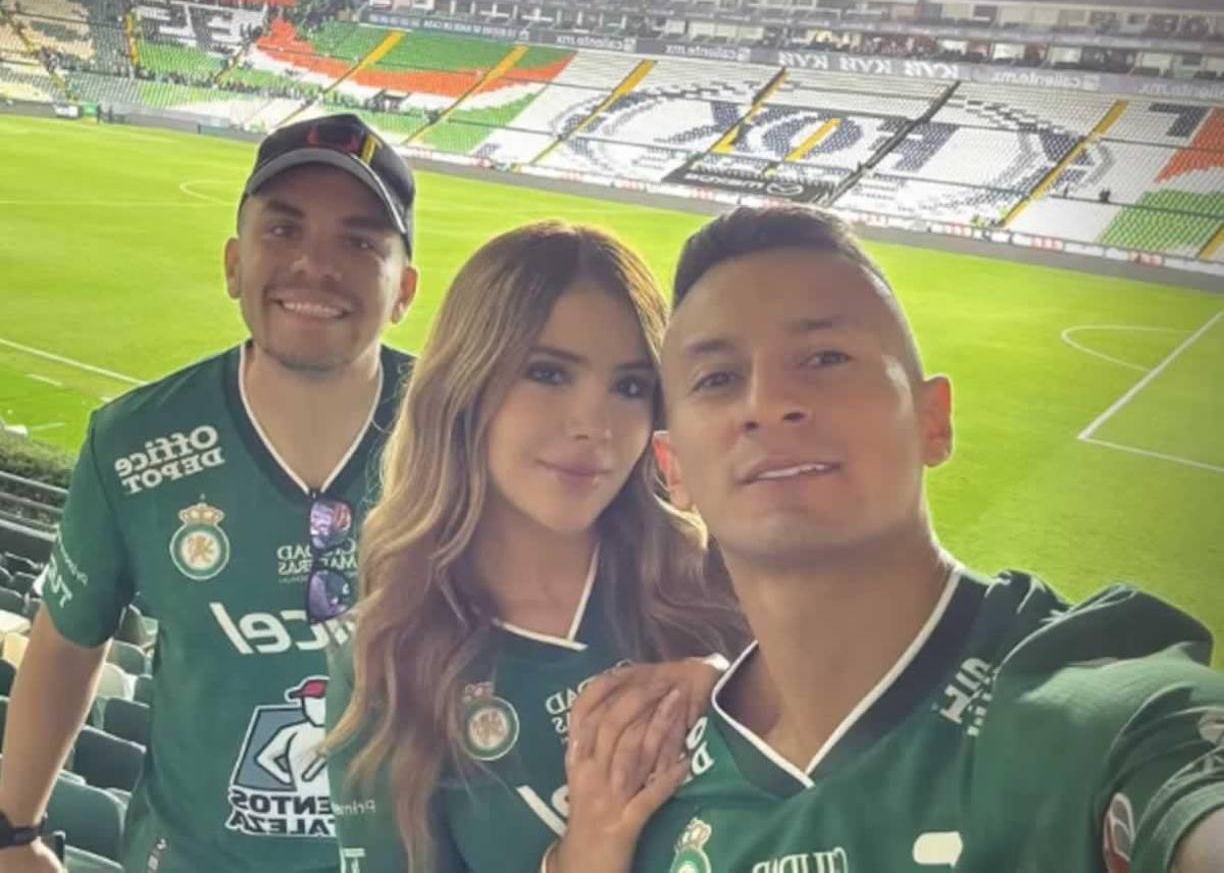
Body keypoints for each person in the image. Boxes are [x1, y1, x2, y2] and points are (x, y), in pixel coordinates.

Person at [621, 205, 1223, 871]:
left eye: (825, 357)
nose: (765, 402)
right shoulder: (650, 798)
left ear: (933, 421)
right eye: (718, 379)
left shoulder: (1093, 722)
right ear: (673, 469)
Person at [0, 113, 419, 873]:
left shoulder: (471, 434)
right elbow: (67, 640)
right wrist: (14, 832)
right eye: (283, 231)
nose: (314, 265)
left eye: (360, 243)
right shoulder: (132, 442)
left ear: (405, 290)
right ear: (233, 264)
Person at [325, 221, 747, 873]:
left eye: (630, 386)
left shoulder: (719, 580)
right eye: (548, 373)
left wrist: (741, 690)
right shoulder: (388, 652)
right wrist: (583, 856)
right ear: (465, 385)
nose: (593, 426)